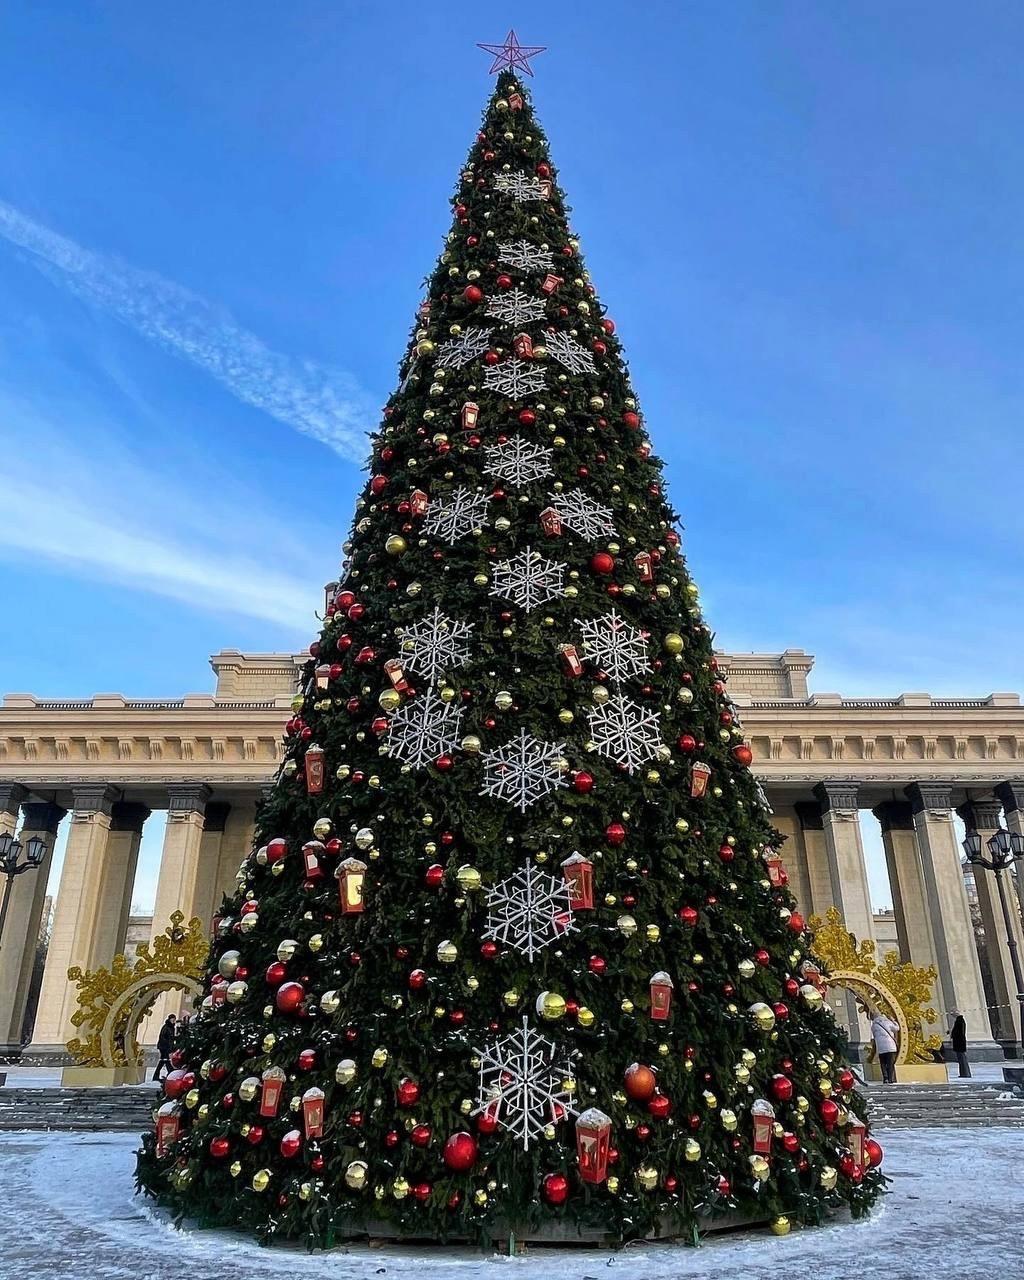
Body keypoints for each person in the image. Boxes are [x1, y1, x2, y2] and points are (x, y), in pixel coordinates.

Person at [870, 1008, 900, 1084]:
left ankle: (885, 1078)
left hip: (880, 1047)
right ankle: (890, 1078)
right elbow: (897, 1028)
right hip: (890, 1046)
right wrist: (894, 1021)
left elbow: (874, 1035)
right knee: (890, 1063)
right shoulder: (887, 1022)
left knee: (883, 1063)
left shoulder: (873, 1025)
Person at [153, 1014, 176, 1081]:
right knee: (166, 1060)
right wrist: (167, 1046)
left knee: (163, 1061)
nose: (174, 1021)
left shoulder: (171, 1027)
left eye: (174, 1019)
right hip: (164, 1047)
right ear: (169, 1019)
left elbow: (171, 1038)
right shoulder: (166, 1027)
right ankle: (170, 1072)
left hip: (166, 1046)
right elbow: (163, 1037)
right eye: (172, 1019)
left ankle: (156, 1076)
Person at [951, 1011, 971, 1078]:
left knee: (962, 1059)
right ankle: (964, 1073)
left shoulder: (959, 1021)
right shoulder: (959, 1021)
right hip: (960, 1043)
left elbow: (959, 1032)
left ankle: (965, 1073)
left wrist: (953, 1035)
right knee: (962, 1059)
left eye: (953, 1015)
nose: (952, 1016)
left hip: (959, 1043)